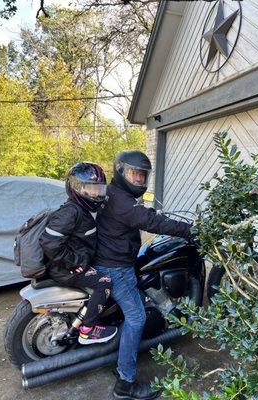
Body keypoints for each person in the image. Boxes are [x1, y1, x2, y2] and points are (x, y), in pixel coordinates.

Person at [94, 150, 193, 400]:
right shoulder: (124, 203)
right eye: (133, 175)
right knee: (136, 318)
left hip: (109, 258)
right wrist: (190, 230)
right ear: (120, 171)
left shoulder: (114, 193)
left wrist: (150, 213)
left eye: (141, 176)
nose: (138, 180)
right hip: (116, 267)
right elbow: (154, 223)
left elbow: (144, 216)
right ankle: (125, 383)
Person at [40, 162, 117, 345]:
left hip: (69, 264)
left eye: (98, 189)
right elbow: (49, 243)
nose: (95, 193)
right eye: (90, 189)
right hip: (64, 269)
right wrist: (74, 263)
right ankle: (87, 330)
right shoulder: (71, 212)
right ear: (78, 189)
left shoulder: (82, 209)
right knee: (104, 282)